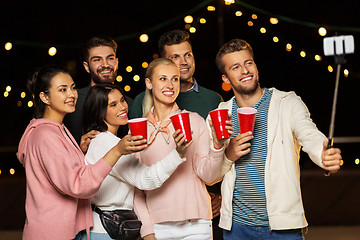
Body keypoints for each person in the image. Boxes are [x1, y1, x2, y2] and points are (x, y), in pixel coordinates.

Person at [211, 39, 342, 240]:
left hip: (283, 227)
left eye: (248, 63)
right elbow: (212, 176)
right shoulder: (220, 115)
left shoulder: (286, 102)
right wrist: (227, 154)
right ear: (226, 78)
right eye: (235, 67)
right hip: (236, 228)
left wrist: (322, 154)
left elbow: (309, 133)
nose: (245, 70)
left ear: (255, 66)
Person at [16, 66, 146, 240]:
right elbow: (79, 184)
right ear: (44, 97)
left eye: (73, 87)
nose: (72, 94)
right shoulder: (45, 134)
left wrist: (78, 151)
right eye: (63, 90)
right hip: (51, 232)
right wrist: (117, 151)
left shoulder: (57, 130)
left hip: (61, 230)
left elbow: (62, 171)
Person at [130, 29, 224, 239]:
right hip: (157, 225)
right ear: (149, 83)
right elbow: (136, 187)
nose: (170, 85)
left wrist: (218, 145)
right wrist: (147, 231)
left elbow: (208, 175)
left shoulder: (195, 121)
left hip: (197, 223)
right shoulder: (138, 129)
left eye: (174, 79)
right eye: (163, 78)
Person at [78, 83, 190, 240]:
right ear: (100, 112)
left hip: (113, 228)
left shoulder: (106, 140)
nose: (122, 107)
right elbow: (146, 179)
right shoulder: (106, 142)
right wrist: (178, 153)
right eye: (113, 105)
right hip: (105, 231)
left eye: (122, 100)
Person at [64, 35, 132, 144]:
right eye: (97, 60)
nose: (105, 65)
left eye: (110, 58)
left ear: (117, 62)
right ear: (86, 67)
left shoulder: (129, 104)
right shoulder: (73, 102)